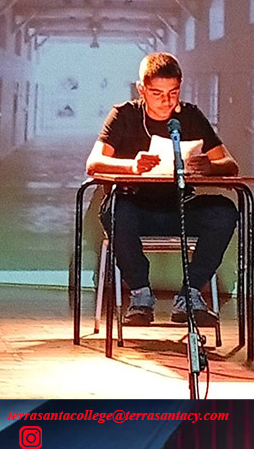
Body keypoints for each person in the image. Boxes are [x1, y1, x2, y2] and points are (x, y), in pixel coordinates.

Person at [85, 52, 239, 326]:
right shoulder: (124, 115)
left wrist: (208, 166)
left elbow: (230, 164)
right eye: (157, 93)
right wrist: (132, 166)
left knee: (224, 210)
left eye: (173, 92)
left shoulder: (189, 116)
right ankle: (141, 297)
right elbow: (93, 163)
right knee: (115, 209)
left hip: (180, 208)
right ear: (141, 89)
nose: (166, 101)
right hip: (134, 208)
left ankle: (189, 295)